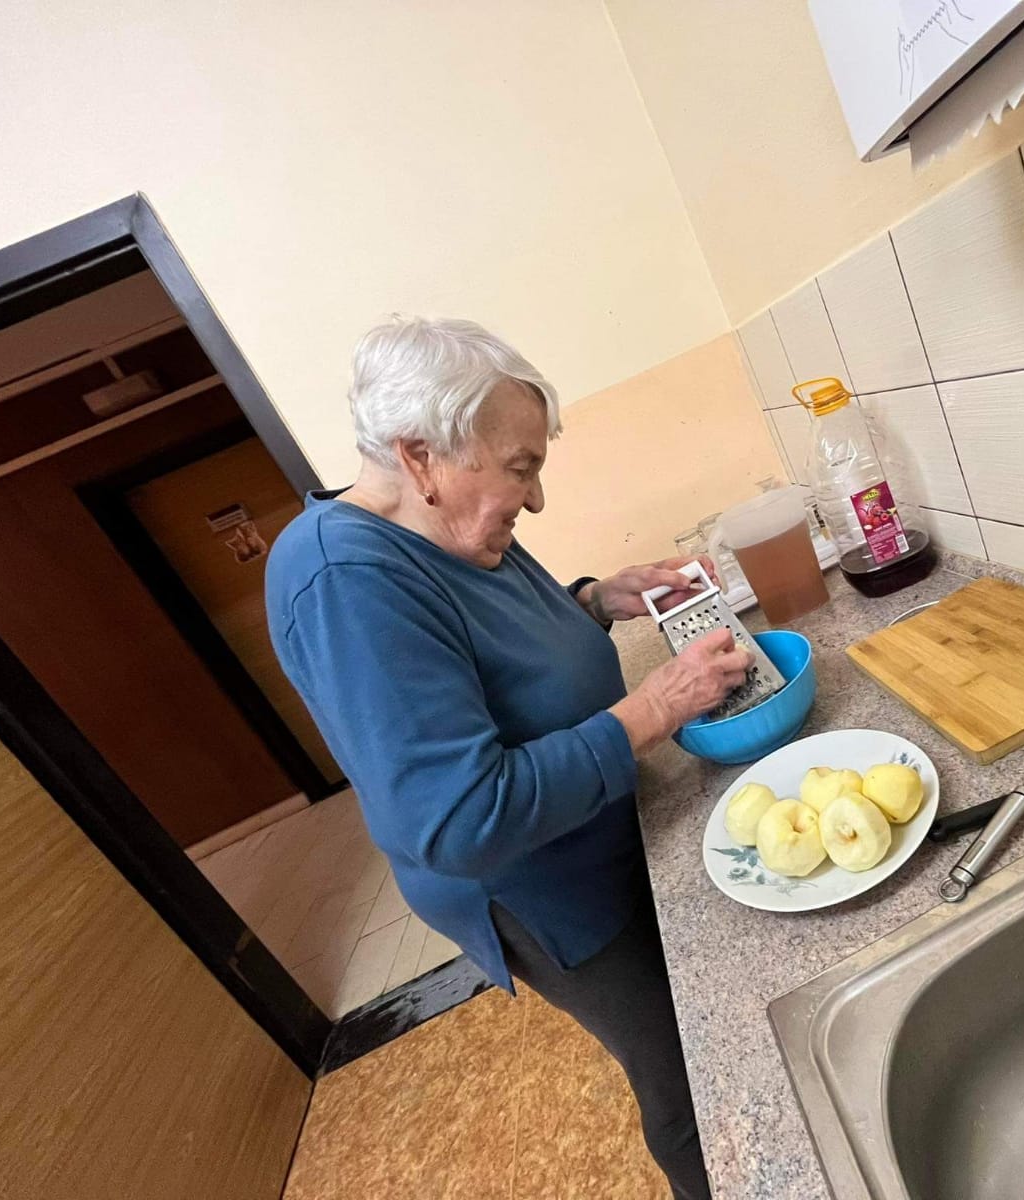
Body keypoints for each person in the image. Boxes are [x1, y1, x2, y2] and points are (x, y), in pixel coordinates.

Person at [265, 316, 746, 1199]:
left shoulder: (440, 519)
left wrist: (596, 599)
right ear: (421, 456)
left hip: (601, 824)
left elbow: (488, 650)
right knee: (690, 1081)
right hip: (544, 887)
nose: (536, 500)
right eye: (521, 469)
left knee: (713, 1024)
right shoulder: (345, 579)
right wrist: (656, 706)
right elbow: (460, 818)